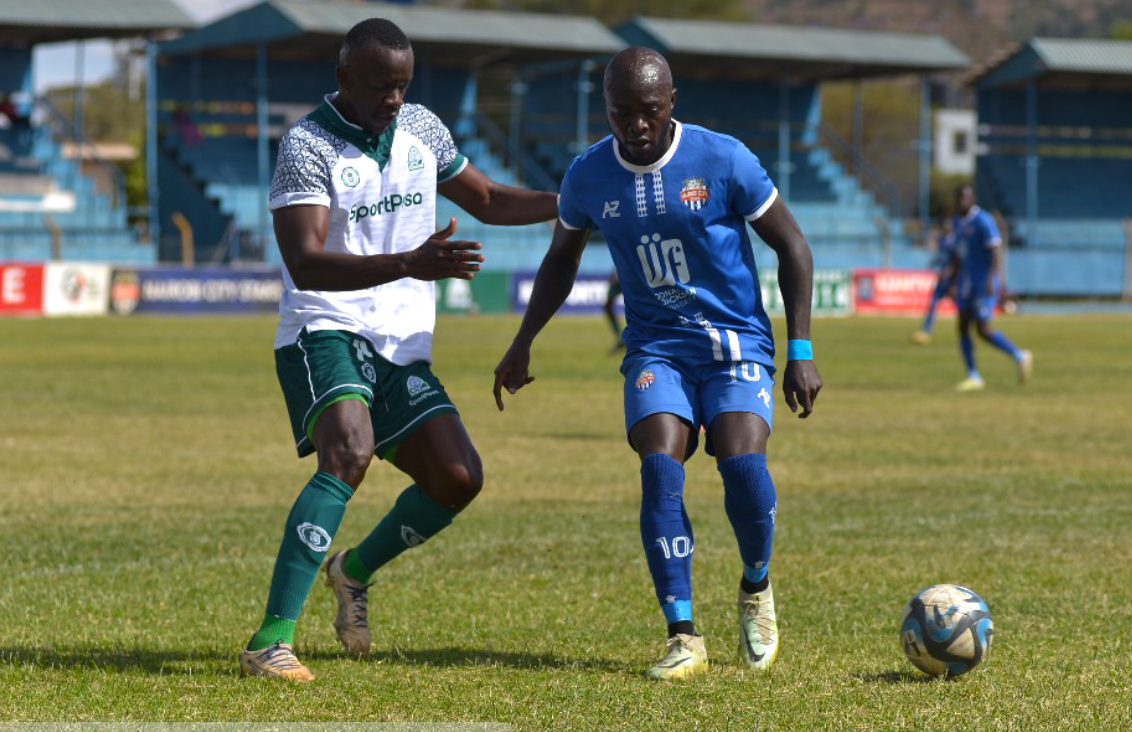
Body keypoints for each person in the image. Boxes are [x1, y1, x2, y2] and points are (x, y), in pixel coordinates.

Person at [240, 17, 558, 682]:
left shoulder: (423, 129)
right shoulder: (307, 143)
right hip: (325, 324)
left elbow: (491, 198)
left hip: (401, 340)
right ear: (343, 79)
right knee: (349, 453)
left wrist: (572, 203)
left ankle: (351, 572)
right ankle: (270, 642)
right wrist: (409, 263)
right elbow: (305, 261)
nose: (394, 98)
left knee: (457, 479)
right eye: (381, 85)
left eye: (403, 85)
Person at [493, 48, 822, 680]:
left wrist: (800, 350)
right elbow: (561, 260)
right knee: (659, 466)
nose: (636, 126)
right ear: (607, 110)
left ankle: (756, 587)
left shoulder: (723, 158)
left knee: (744, 467)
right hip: (655, 347)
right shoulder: (589, 174)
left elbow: (792, 246)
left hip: (735, 344)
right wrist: (522, 341)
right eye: (622, 113)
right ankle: (683, 635)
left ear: (671, 101)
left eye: (648, 111)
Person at [950, 184, 1032, 391]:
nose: (962, 201)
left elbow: (995, 251)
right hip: (966, 284)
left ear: (974, 199)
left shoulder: (983, 221)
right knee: (962, 327)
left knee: (983, 330)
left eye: (966, 197)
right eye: (959, 197)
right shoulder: (957, 222)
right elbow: (959, 254)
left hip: (983, 283)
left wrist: (991, 280)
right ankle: (973, 375)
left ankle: (1018, 355)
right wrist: (953, 280)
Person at [910, 219, 957, 345]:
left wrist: (949, 272)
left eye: (948, 224)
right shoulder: (942, 241)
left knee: (961, 307)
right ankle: (926, 331)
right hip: (942, 279)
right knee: (933, 304)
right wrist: (934, 263)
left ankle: (971, 329)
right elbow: (942, 258)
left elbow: (957, 261)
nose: (946, 226)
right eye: (944, 224)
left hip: (953, 280)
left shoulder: (955, 241)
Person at [603, 269, 625, 352]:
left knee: (637, 307)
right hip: (620, 273)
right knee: (608, 306)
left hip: (631, 275)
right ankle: (621, 339)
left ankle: (629, 339)